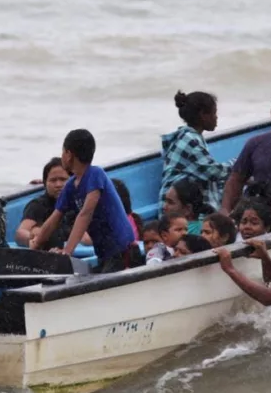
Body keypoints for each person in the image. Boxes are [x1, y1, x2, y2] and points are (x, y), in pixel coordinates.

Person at [31, 129, 139, 273]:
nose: (61, 156)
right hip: (104, 254)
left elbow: (85, 214)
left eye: (63, 151)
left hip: (123, 251)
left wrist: (67, 251)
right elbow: (54, 219)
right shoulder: (70, 186)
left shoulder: (96, 174)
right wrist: (36, 244)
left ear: (69, 155)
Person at [160, 91, 230, 211]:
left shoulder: (190, 137)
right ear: (203, 114)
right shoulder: (189, 140)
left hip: (189, 208)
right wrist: (240, 164)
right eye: (214, 113)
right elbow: (214, 172)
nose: (216, 117)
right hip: (179, 214)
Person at [14, 158, 90, 249]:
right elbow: (21, 232)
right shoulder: (38, 205)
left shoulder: (82, 202)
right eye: (53, 180)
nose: (58, 184)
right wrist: (31, 238)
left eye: (63, 179)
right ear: (45, 183)